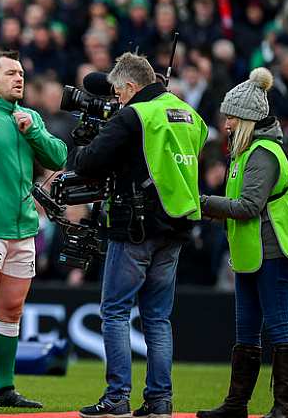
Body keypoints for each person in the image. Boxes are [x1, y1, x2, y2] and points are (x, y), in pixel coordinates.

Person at [72, 53, 208, 418]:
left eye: (118, 93)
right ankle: (160, 399)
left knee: (115, 311)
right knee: (158, 318)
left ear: (131, 86)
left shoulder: (135, 114)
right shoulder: (191, 115)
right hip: (178, 225)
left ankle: (117, 396)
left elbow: (87, 162)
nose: (116, 99)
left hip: (135, 226)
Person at [0, 50, 67, 408]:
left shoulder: (29, 117)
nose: (19, 78)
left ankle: (4, 387)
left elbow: (59, 157)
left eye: (21, 73)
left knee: (11, 310)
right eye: (10, 73)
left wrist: (33, 131)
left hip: (24, 227)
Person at [197, 68, 288, 418]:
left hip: (272, 252)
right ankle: (236, 405)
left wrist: (201, 203)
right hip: (252, 252)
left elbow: (247, 207)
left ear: (245, 119)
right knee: (246, 331)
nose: (225, 123)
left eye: (230, 116)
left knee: (277, 326)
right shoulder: (247, 152)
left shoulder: (263, 153)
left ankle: (283, 408)